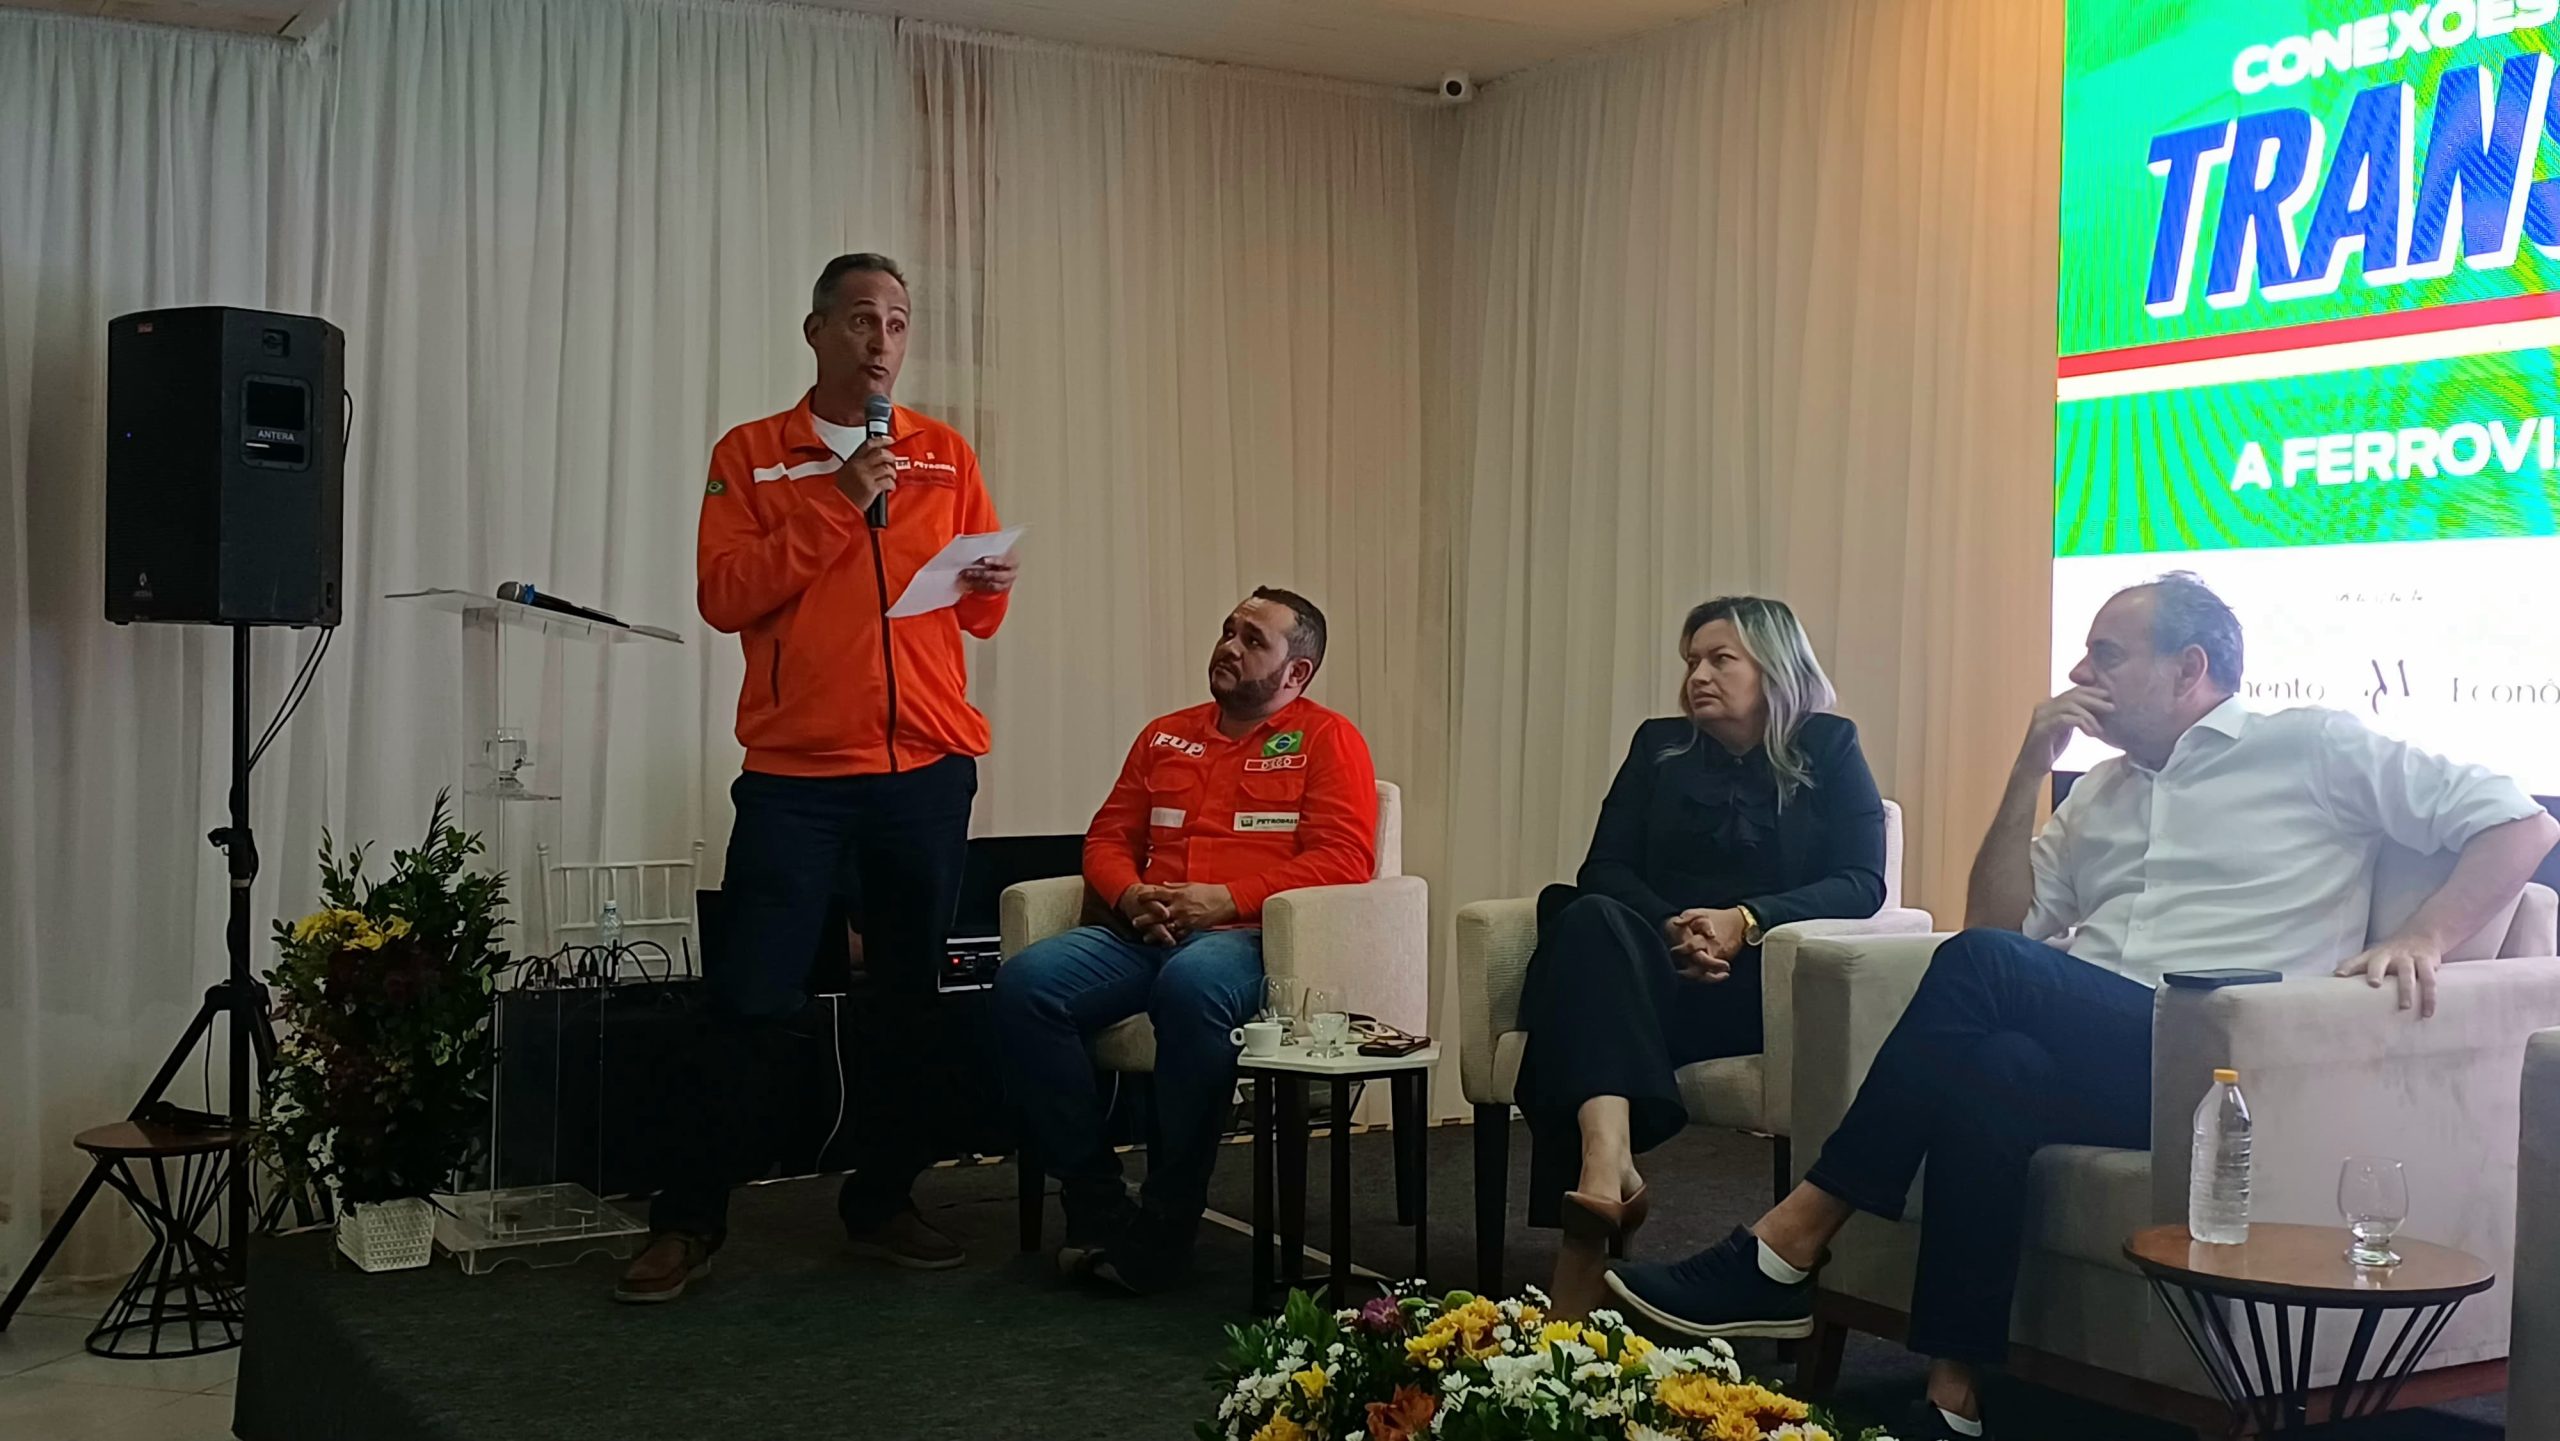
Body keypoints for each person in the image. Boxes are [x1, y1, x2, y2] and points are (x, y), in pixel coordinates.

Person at [1605, 573, 2557, 1440]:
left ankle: (1791, 1241)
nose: (2078, 672)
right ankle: (1953, 1396)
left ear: (2190, 668)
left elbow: (2521, 821)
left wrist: (2425, 934)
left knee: (1988, 976)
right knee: (1993, 1069)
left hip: (2227, 1069)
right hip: (2108, 1056)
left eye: (2107, 653)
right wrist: (2029, 768)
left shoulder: (2309, 745)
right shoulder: (2100, 790)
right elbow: (1996, 922)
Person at [616, 253, 1019, 1304]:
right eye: (861, 319)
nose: (882, 340)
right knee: (748, 1000)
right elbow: (725, 595)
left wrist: (991, 581)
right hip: (797, 778)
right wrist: (839, 501)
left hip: (926, 768)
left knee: (908, 1003)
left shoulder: (944, 453)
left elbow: (976, 616)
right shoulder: (752, 455)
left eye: (898, 321)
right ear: (817, 332)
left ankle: (882, 1202)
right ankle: (688, 1221)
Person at [993, 588, 1379, 1294]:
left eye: (1253, 640)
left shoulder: (1328, 739)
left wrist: (1226, 899)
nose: (1230, 646)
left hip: (1248, 938)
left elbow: (1345, 859)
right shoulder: (1165, 736)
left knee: (1191, 984)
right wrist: (1130, 895)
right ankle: (1095, 1197)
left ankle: (1168, 1219)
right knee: (1026, 985)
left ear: (1296, 672)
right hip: (1147, 931)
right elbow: (1108, 838)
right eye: (1229, 630)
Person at [1514, 596, 1887, 1318]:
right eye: (1691, 661)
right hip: (1647, 971)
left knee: (1584, 991)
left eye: (1721, 659)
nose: (1698, 676)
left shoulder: (1831, 746)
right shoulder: (1658, 746)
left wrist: (1745, 921)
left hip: (1751, 988)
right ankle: (1604, 1163)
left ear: (1774, 668)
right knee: (1585, 917)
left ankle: (1599, 1200)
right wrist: (1670, 930)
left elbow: (1861, 881)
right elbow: (1604, 868)